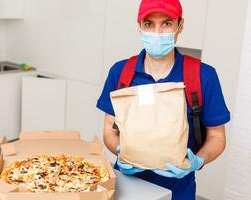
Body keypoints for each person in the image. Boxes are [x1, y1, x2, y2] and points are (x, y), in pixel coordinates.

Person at [96, 0, 231, 199]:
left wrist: (198, 160)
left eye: (166, 23)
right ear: (139, 26)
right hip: (126, 187)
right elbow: (109, 130)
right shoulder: (121, 72)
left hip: (178, 190)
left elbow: (217, 137)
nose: (157, 33)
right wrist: (119, 150)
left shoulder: (202, 76)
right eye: (149, 24)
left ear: (180, 25)